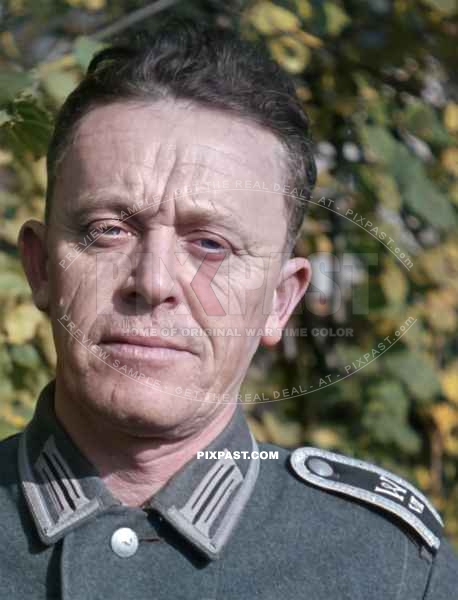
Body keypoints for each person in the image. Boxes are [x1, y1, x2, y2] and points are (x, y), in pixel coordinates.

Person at [1, 18, 456, 599]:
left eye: (210, 244)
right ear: (41, 267)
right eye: (109, 230)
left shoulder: (389, 570)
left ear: (278, 301)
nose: (154, 280)